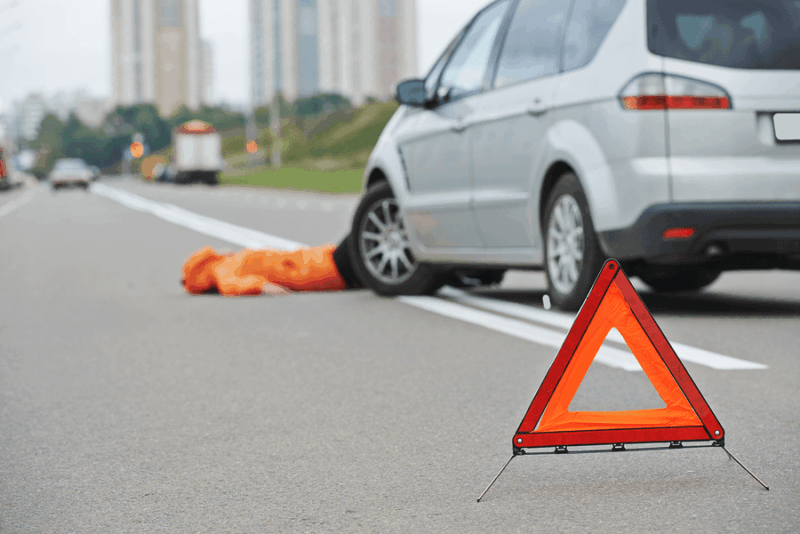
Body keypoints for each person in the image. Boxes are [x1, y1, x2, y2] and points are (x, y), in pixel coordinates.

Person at [182, 235, 362, 296]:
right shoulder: (222, 271)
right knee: (365, 226)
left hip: (318, 262)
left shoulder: (227, 263)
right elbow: (233, 286)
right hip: (317, 269)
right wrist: (263, 287)